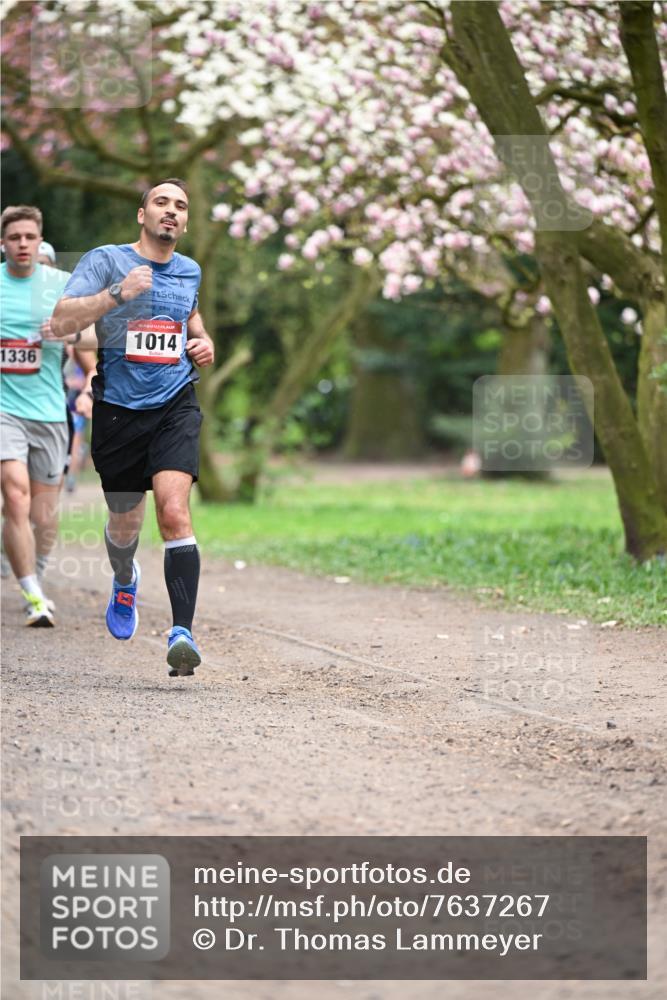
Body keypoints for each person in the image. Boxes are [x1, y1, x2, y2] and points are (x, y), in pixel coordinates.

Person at [51, 179, 215, 676]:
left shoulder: (190, 271)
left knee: (173, 512)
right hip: (119, 409)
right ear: (141, 215)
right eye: (161, 203)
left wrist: (203, 344)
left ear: (185, 223)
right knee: (125, 526)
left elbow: (193, 323)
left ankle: (181, 632)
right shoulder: (105, 260)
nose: (171, 211)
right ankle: (125, 579)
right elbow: (60, 322)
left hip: (174, 405)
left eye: (180, 206)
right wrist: (119, 292)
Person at [0, 206, 95, 625]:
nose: (22, 243)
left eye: (29, 237)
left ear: (40, 241)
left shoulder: (61, 284)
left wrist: (67, 331)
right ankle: (32, 593)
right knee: (15, 495)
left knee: (44, 514)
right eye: (14, 237)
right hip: (5, 410)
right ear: (3, 243)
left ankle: (35, 577)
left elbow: (95, 335)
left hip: (49, 412)